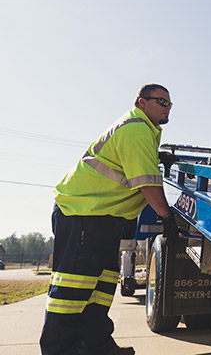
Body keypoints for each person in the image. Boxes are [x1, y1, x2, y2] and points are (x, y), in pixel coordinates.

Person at [40, 83, 178, 355]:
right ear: (142, 102)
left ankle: (95, 344)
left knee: (100, 287)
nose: (167, 108)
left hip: (101, 217)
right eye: (161, 102)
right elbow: (147, 184)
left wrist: (154, 157)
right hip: (84, 214)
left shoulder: (143, 131)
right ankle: (58, 350)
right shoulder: (136, 129)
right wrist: (166, 217)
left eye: (169, 104)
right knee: (72, 290)